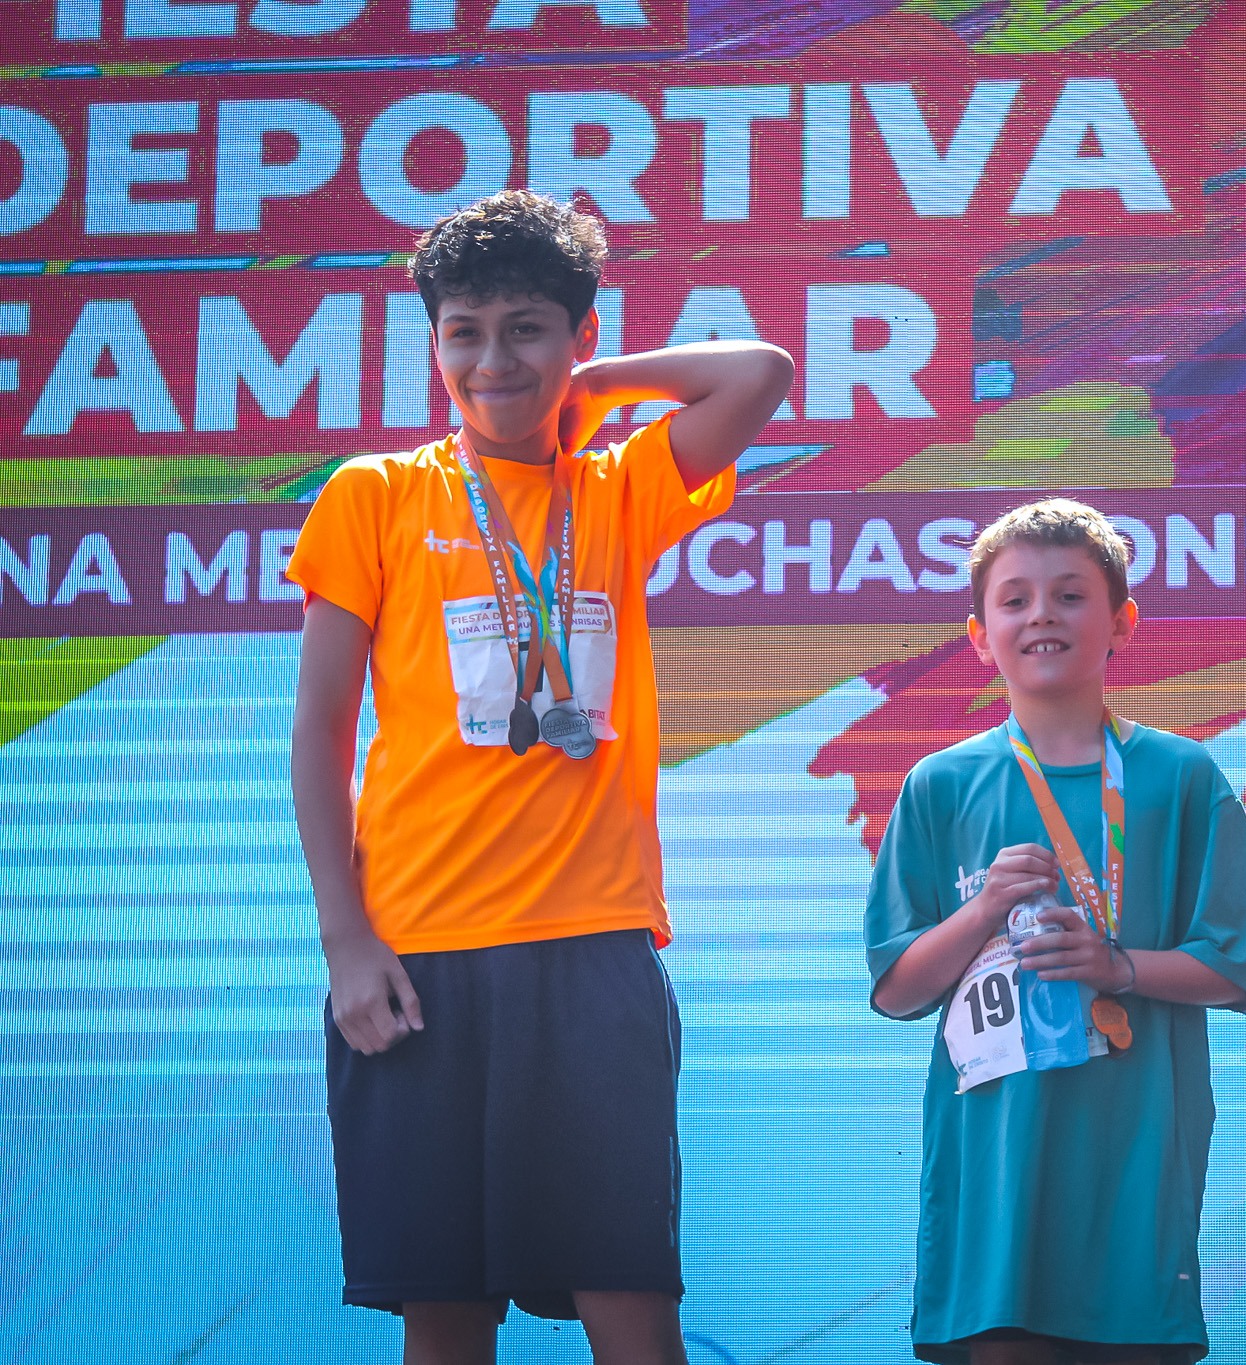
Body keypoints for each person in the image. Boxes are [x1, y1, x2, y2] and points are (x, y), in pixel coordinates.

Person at [288, 188, 792, 1364]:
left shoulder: (616, 489)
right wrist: (346, 943)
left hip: (590, 947)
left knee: (628, 1301)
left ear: (577, 333)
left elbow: (757, 374)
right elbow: (318, 739)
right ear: (432, 342)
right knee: (444, 1312)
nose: (491, 361)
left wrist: (594, 386)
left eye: (525, 329)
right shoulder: (374, 494)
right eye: (462, 332)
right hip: (416, 954)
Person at [865, 499, 1246, 1365]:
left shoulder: (1180, 776)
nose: (1041, 616)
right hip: (996, 1165)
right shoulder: (940, 783)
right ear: (979, 634)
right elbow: (897, 988)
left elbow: (1237, 965)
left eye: (1069, 595)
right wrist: (981, 911)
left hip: (1135, 1153)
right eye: (1014, 599)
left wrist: (1117, 966)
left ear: (1122, 623)